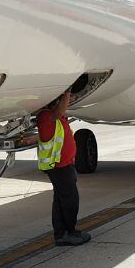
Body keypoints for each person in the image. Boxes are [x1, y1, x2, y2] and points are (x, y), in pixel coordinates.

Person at [37, 90, 92, 247]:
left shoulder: (56, 118)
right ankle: (68, 232)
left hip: (64, 165)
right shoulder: (46, 115)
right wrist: (66, 93)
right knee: (70, 201)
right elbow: (59, 111)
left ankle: (62, 233)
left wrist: (66, 97)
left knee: (61, 200)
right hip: (59, 167)